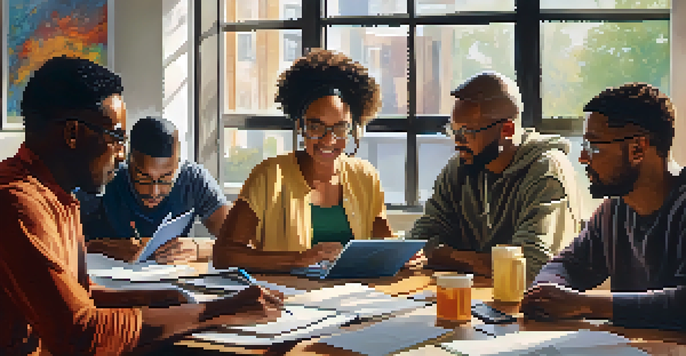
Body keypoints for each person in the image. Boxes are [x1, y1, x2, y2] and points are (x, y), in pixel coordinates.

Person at [0, 55, 281, 355]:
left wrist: (164, 298)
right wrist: (218, 310)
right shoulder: (18, 202)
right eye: (117, 138)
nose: (121, 156)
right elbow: (78, 333)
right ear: (72, 133)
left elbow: (80, 296)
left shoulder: (58, 195)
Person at [522, 83, 686, 330]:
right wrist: (546, 292)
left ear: (638, 149)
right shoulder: (614, 210)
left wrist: (585, 304)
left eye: (594, 146)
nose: (583, 158)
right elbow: (566, 265)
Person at [213, 48, 394, 273]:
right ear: (300, 126)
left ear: (353, 129)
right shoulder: (270, 175)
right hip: (287, 299)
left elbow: (385, 247)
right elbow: (224, 254)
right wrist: (297, 259)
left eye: (340, 127)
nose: (328, 139)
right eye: (316, 126)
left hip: (351, 297)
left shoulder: (365, 176)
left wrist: (406, 257)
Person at [408, 71, 582, 283]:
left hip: (534, 306)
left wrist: (444, 255)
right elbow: (418, 243)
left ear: (507, 129)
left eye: (467, 132)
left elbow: (531, 266)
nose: (457, 142)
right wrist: (478, 261)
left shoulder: (547, 170)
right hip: (474, 298)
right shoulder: (461, 166)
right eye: (452, 131)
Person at [77, 116, 229, 264]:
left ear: (178, 165)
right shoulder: (106, 177)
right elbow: (63, 242)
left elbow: (241, 243)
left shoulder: (194, 179)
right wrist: (104, 247)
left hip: (172, 281)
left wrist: (200, 248)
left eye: (166, 178)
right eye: (144, 177)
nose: (154, 192)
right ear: (129, 162)